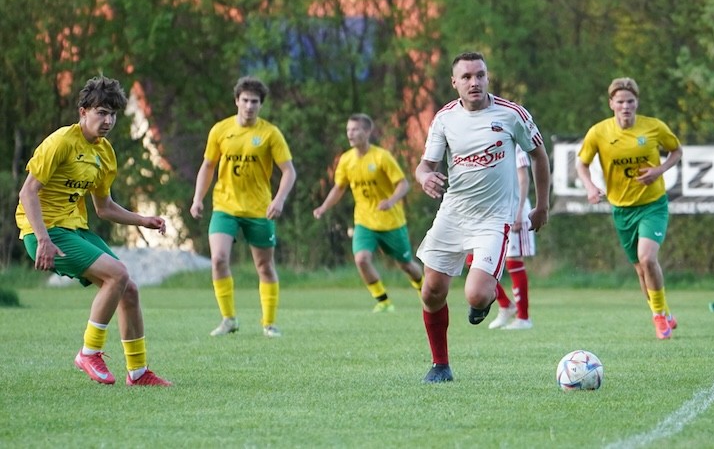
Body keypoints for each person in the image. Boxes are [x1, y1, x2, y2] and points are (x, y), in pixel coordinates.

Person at [15, 76, 171, 386]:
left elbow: (105, 207)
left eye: (113, 114)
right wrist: (43, 239)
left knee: (129, 289)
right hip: (44, 232)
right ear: (83, 111)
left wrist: (142, 220)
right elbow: (27, 192)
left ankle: (138, 372)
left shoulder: (105, 153)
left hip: (74, 229)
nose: (108, 121)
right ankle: (89, 352)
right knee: (118, 274)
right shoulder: (61, 141)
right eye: (101, 112)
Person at [415, 51, 550, 383]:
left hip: (493, 219)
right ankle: (440, 365)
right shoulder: (444, 118)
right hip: (453, 214)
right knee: (431, 291)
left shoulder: (511, 114)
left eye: (480, 75)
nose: (474, 82)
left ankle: (483, 298)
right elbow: (425, 165)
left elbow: (538, 156)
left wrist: (542, 205)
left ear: (487, 78)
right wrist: (424, 177)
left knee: (475, 294)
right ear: (454, 82)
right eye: (466, 77)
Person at [576, 77, 682, 340]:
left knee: (648, 258)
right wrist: (590, 187)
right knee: (641, 270)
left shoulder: (654, 127)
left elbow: (676, 151)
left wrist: (659, 170)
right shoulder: (599, 132)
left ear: (637, 103)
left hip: (653, 205)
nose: (626, 107)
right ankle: (663, 312)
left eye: (630, 101)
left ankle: (658, 317)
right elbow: (581, 163)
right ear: (611, 103)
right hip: (622, 209)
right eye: (621, 101)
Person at [190, 76, 296, 338]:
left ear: (261, 105)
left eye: (255, 102)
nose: (249, 106)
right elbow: (208, 166)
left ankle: (269, 324)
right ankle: (228, 320)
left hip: (259, 209)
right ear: (236, 100)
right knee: (218, 259)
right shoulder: (220, 130)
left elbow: (289, 171)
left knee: (265, 266)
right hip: (225, 206)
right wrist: (197, 198)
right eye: (245, 100)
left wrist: (279, 199)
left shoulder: (270, 133)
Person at [313, 114, 423, 312]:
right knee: (361, 259)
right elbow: (339, 188)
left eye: (355, 129)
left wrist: (391, 201)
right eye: (348, 130)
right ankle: (383, 301)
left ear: (367, 131)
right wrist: (324, 207)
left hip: (391, 222)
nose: (350, 134)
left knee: (406, 265)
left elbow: (403, 184)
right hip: (364, 221)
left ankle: (425, 290)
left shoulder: (381, 157)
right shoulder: (346, 160)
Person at [467, 144, 536, 330]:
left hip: (513, 208)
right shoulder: (483, 142)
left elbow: (523, 178)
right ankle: (505, 304)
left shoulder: (513, 142)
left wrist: (518, 211)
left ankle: (523, 318)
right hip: (490, 211)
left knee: (513, 261)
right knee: (473, 259)